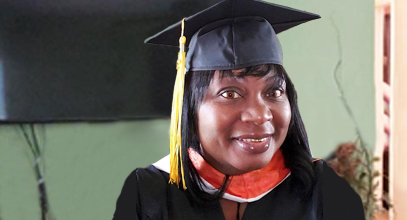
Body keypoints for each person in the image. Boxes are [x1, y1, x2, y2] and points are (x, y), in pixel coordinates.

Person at [113, 0, 365, 219]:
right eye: (230, 94)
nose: (260, 114)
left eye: (274, 92)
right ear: (190, 105)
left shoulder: (326, 192)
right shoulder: (148, 194)